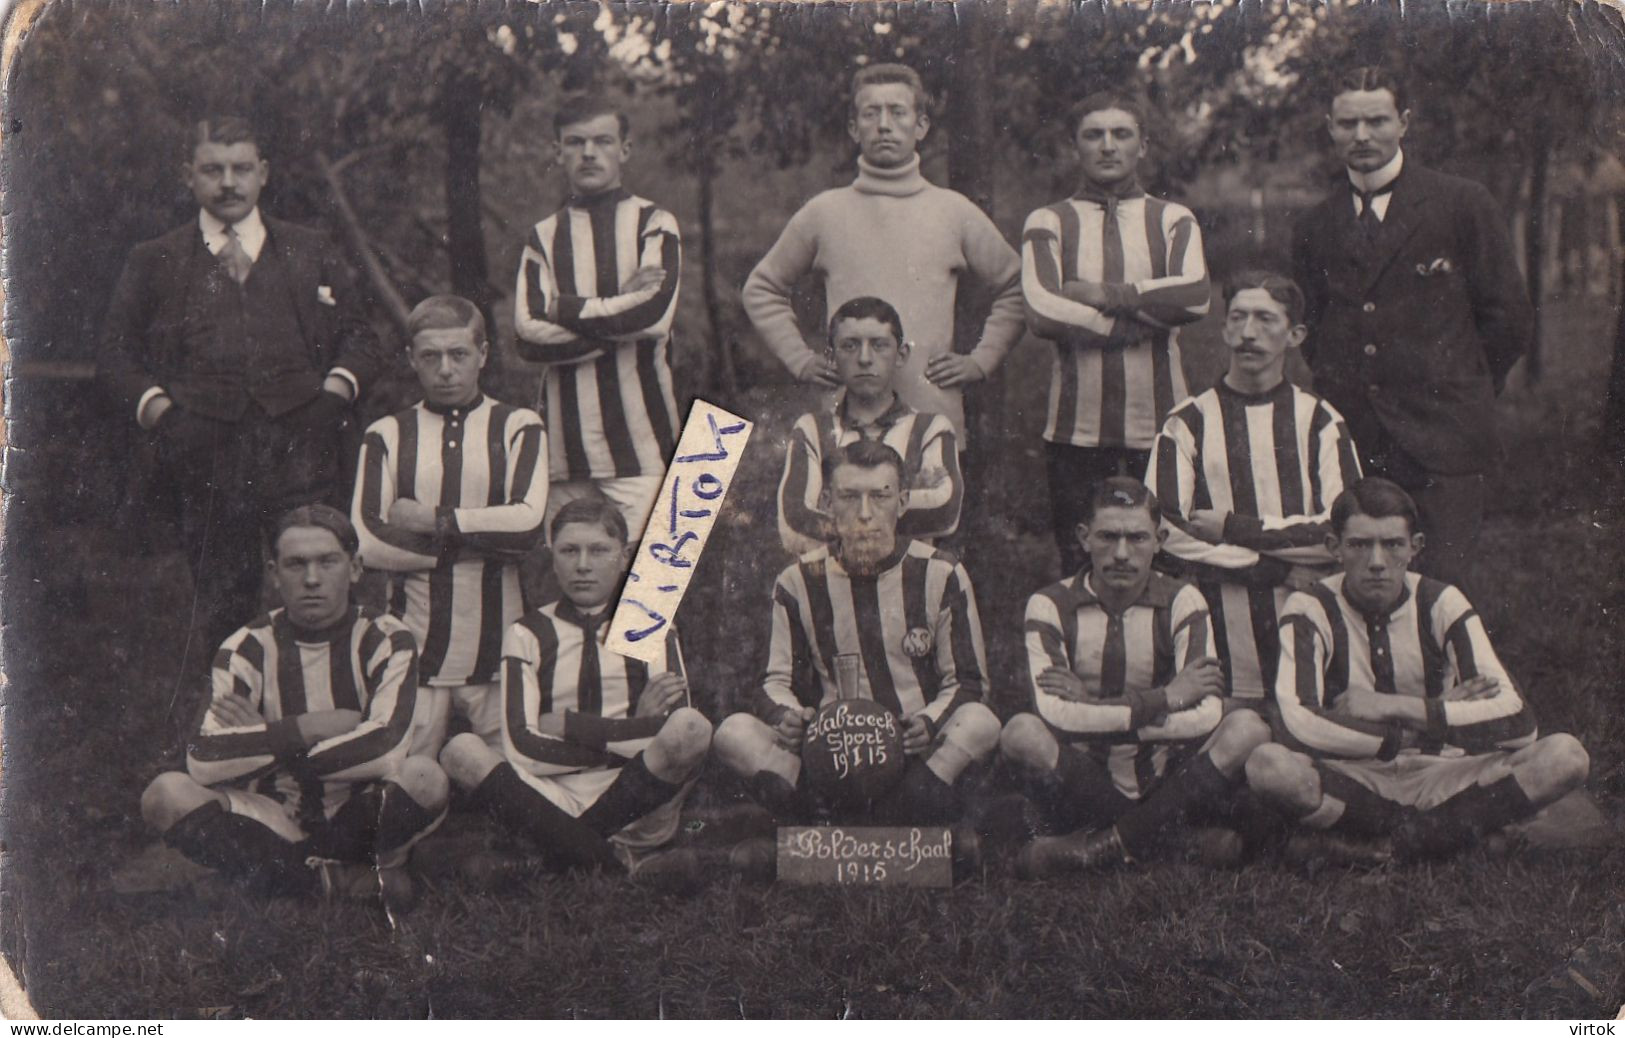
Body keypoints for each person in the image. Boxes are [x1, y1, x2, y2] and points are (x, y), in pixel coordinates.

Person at [100, 116, 383, 683]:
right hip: (204, 449)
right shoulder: (155, 257)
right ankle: (231, 716)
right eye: (212, 170)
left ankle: (326, 700)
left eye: (241, 169)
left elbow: (362, 335)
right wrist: (163, 413)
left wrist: (332, 395)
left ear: (263, 174)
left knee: (313, 579)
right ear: (190, 176)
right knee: (222, 592)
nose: (228, 183)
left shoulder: (309, 248)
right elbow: (115, 353)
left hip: (301, 445)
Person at [1245, 478, 1589, 863]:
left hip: (1442, 771)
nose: (1376, 562)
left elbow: (1520, 723)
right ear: (1334, 548)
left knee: (1566, 755)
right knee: (1268, 765)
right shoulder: (1310, 606)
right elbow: (1298, 724)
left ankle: (1382, 846)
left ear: (1415, 548)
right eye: (1360, 544)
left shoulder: (1441, 601)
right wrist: (1426, 722)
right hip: (1356, 774)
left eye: (1392, 544)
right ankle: (1455, 836)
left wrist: (1390, 705)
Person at [1290, 66, 1533, 595]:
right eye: (1348, 123)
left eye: (1376, 120)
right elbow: (1311, 328)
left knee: (1440, 590)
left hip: (1444, 438)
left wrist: (1460, 387)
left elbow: (1508, 318)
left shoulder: (1460, 203)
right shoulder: (1315, 225)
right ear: (1330, 128)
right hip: (1356, 440)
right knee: (1362, 588)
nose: (1362, 136)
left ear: (1403, 123)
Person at [138, 506, 445, 902]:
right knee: (165, 795)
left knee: (425, 777)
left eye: (327, 562)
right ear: (274, 574)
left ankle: (278, 877)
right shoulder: (245, 647)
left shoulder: (387, 639)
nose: (312, 579)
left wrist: (266, 739)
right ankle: (333, 880)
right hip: (274, 813)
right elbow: (204, 759)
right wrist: (310, 727)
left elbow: (385, 752)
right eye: (296, 565)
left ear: (354, 568)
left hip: (362, 807)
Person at [715, 440, 1001, 827]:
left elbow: (968, 683)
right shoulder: (797, 580)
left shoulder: (940, 572)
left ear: (901, 502)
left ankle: (849, 832)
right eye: (849, 497)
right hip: (830, 756)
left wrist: (929, 723)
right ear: (828, 503)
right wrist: (788, 717)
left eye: (880, 497)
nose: (865, 513)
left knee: (981, 722)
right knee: (734, 734)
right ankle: (881, 829)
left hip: (915, 755)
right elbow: (773, 681)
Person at [742, 63, 1024, 447]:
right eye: (871, 114)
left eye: (898, 112)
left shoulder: (954, 212)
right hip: (846, 430)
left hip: (931, 425)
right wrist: (801, 360)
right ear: (854, 129)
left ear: (921, 126)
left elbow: (1019, 286)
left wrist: (980, 361)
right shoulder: (824, 212)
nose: (884, 125)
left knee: (932, 507)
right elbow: (761, 288)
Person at [1001, 479, 1271, 876]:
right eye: (1108, 537)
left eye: (1137, 538)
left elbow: (1205, 716)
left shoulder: (1183, 600)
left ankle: (1102, 848)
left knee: (1248, 727)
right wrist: (1165, 698)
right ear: (1084, 538)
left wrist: (1092, 707)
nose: (1122, 554)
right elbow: (1056, 716)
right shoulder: (1049, 604)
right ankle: (1168, 843)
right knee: (1021, 733)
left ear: (1160, 540)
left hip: (1164, 774)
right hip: (1084, 777)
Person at [438, 498, 711, 878]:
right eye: (569, 551)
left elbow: (674, 734)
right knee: (460, 751)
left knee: (691, 727)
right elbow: (522, 748)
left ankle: (558, 856)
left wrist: (570, 725)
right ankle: (614, 865)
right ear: (553, 558)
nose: (583, 565)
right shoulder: (527, 632)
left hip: (636, 796)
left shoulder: (648, 623)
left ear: (624, 554)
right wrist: (630, 730)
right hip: (550, 795)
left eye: (599, 550)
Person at [1145, 272, 1363, 702]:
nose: (1248, 333)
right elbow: (1165, 529)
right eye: (1238, 318)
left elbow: (1344, 531)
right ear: (1224, 329)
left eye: (1265, 319)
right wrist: (1271, 570)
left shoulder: (1321, 421)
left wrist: (1232, 528)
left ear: (1296, 334)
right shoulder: (1186, 422)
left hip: (1305, 612)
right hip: (1219, 621)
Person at [1021, 92, 1211, 577]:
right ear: (1074, 146)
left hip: (1162, 421)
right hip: (1075, 427)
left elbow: (1193, 297)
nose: (1108, 146)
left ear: (1142, 146)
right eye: (1093, 135)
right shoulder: (1049, 221)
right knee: (1082, 558)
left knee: (1170, 555)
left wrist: (1102, 293)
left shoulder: (1172, 219)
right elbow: (1043, 310)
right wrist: (1136, 322)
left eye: (1121, 134)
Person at [352, 295, 549, 756]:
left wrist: (432, 521)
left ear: (482, 355)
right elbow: (367, 540)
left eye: (458, 354)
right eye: (430, 356)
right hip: (414, 648)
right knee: (401, 781)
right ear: (411, 360)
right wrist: (478, 542)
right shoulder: (387, 434)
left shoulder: (519, 426)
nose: (445, 369)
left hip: (501, 650)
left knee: (521, 779)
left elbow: (526, 529)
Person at [513, 94, 682, 544]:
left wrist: (565, 308)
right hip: (563, 455)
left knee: (649, 595)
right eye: (575, 142)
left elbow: (653, 315)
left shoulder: (655, 222)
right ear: (558, 152)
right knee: (576, 589)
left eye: (603, 141)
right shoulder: (544, 237)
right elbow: (528, 336)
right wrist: (618, 313)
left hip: (641, 450)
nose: (589, 153)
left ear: (624, 149)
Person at [778, 296, 962, 556]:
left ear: (901, 355)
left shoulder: (929, 429)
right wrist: (903, 503)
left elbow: (944, 511)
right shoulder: (813, 430)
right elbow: (795, 521)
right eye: (850, 346)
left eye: (879, 345)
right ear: (831, 356)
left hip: (908, 588)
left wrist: (838, 507)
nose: (865, 358)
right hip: (829, 585)